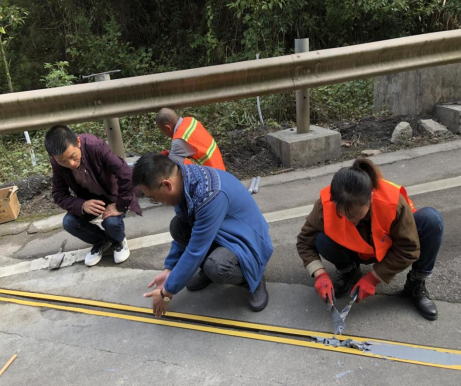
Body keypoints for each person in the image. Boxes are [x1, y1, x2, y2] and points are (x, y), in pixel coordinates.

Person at [296, 158, 444, 320]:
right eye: (342, 213)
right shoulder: (326, 204)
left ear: (371, 198)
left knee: (431, 220)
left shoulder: (392, 203)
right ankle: (350, 272)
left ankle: (415, 284)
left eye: (354, 214)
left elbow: (408, 249)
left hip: (388, 249)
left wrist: (374, 278)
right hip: (354, 250)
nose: (349, 220)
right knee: (322, 240)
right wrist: (319, 274)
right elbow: (305, 241)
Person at [132, 153, 272, 317]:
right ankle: (209, 272)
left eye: (154, 198)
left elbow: (196, 249)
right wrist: (169, 269)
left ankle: (254, 275)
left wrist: (166, 293)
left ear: (167, 185)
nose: (158, 202)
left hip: (248, 239)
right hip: (223, 230)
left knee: (216, 267)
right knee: (178, 226)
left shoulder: (209, 195)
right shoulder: (185, 179)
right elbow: (188, 228)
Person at [44, 125, 141, 266]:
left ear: (78, 142)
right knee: (69, 222)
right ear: (54, 158)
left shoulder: (94, 146)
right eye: (63, 161)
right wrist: (81, 205)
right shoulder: (56, 163)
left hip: (112, 195)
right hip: (89, 200)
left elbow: (126, 173)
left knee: (111, 222)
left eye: (73, 157)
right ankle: (102, 241)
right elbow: (59, 194)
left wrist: (119, 205)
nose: (71, 164)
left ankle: (119, 240)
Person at [155, 107, 226, 171]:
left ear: (168, 128)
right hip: (219, 166)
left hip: (212, 174)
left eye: (163, 131)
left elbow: (170, 160)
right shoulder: (190, 121)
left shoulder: (179, 140)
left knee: (172, 160)